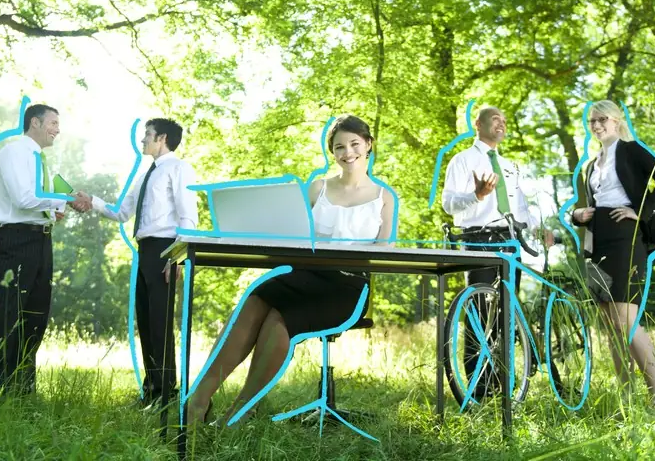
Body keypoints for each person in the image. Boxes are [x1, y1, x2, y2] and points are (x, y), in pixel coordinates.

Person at [186, 114, 397, 427]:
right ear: (333, 152)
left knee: (278, 321)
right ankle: (197, 401)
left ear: (368, 145)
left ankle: (239, 413)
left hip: (347, 287)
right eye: (339, 146)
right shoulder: (317, 189)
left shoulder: (384, 197)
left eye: (354, 144)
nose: (347, 152)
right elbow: (289, 231)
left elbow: (385, 252)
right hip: (304, 274)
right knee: (256, 298)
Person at [72, 118, 199, 409]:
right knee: (146, 319)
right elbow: (121, 212)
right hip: (145, 251)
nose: (143, 140)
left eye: (148, 135)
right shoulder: (145, 176)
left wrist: (177, 258)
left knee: (160, 322)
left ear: (162, 138)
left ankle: (167, 394)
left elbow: (188, 215)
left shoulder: (179, 169)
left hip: (165, 250)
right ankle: (152, 391)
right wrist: (91, 200)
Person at [571, 100, 655, 411]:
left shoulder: (631, 150)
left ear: (616, 121)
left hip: (624, 237)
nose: (596, 125)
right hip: (597, 240)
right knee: (609, 322)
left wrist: (640, 212)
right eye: (592, 120)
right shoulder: (590, 165)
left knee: (626, 320)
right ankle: (626, 399)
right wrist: (577, 216)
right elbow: (585, 204)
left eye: (602, 118)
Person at [0, 104, 72, 406]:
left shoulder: (41, 160)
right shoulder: (15, 152)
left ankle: (19, 395)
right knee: (3, 316)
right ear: (35, 122)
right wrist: (61, 199)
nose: (57, 129)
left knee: (33, 319)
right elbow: (24, 198)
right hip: (16, 241)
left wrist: (60, 205)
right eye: (53, 122)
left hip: (41, 241)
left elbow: (43, 202)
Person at [441, 105, 539, 399]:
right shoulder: (462, 160)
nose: (502, 123)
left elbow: (520, 206)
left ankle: (503, 383)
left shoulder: (509, 165)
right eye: (496, 118)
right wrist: (476, 195)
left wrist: (535, 228)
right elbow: (448, 204)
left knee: (505, 314)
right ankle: (477, 389)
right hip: (479, 237)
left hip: (511, 240)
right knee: (478, 311)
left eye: (505, 120)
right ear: (478, 124)